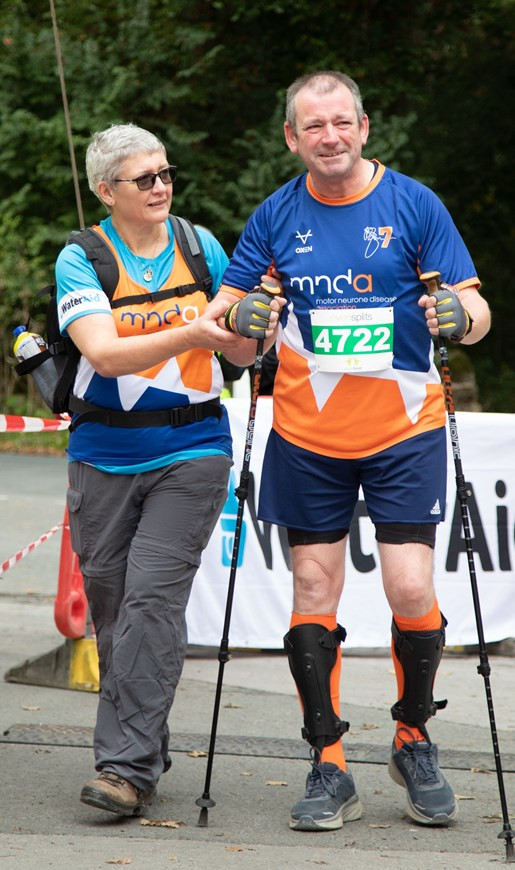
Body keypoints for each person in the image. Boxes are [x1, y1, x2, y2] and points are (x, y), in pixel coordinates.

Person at [219, 71, 491, 831]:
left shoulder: (413, 204)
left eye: (341, 122)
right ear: (292, 137)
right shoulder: (275, 215)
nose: (329, 136)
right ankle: (327, 762)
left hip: (403, 430)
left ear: (363, 127)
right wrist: (244, 318)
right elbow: (232, 337)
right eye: (314, 126)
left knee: (410, 589)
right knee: (312, 588)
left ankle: (412, 737)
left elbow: (475, 309)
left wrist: (455, 317)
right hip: (308, 436)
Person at [55, 123, 282, 817]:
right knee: (116, 611)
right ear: (106, 190)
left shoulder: (198, 245)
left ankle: (121, 769)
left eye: (165, 173)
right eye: (143, 178)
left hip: (192, 450)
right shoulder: (82, 257)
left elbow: (238, 358)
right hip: (102, 456)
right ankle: (144, 751)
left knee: (153, 599)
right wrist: (195, 330)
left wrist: (255, 328)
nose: (160, 187)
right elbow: (107, 353)